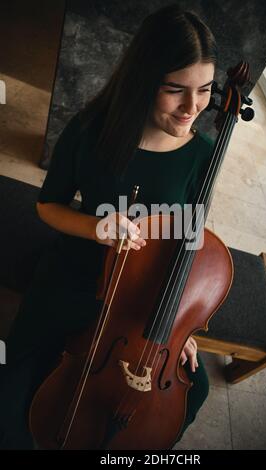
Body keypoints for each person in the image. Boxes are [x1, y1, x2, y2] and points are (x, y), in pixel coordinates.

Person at [0, 3, 216, 449]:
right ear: (144, 80)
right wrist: (98, 228)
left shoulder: (202, 152)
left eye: (206, 90)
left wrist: (178, 325)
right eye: (176, 89)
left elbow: (189, 234)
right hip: (74, 275)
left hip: (142, 299)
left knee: (193, 392)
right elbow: (48, 206)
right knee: (11, 406)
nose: (191, 107)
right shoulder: (88, 130)